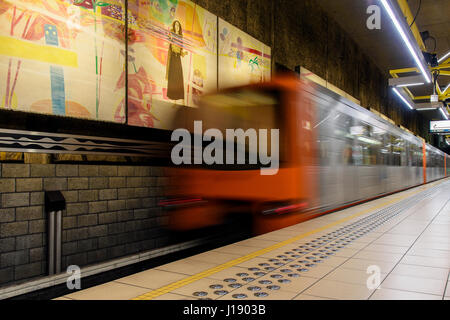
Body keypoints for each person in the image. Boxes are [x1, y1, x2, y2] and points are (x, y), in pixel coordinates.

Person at [166, 20, 188, 102]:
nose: (177, 27)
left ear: (180, 27)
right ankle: (172, 97)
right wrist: (170, 38)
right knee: (173, 77)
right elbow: (168, 41)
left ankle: (179, 96)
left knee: (179, 76)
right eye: (176, 25)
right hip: (173, 57)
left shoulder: (181, 37)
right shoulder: (171, 34)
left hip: (178, 57)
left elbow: (180, 50)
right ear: (174, 26)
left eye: (178, 25)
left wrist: (184, 53)